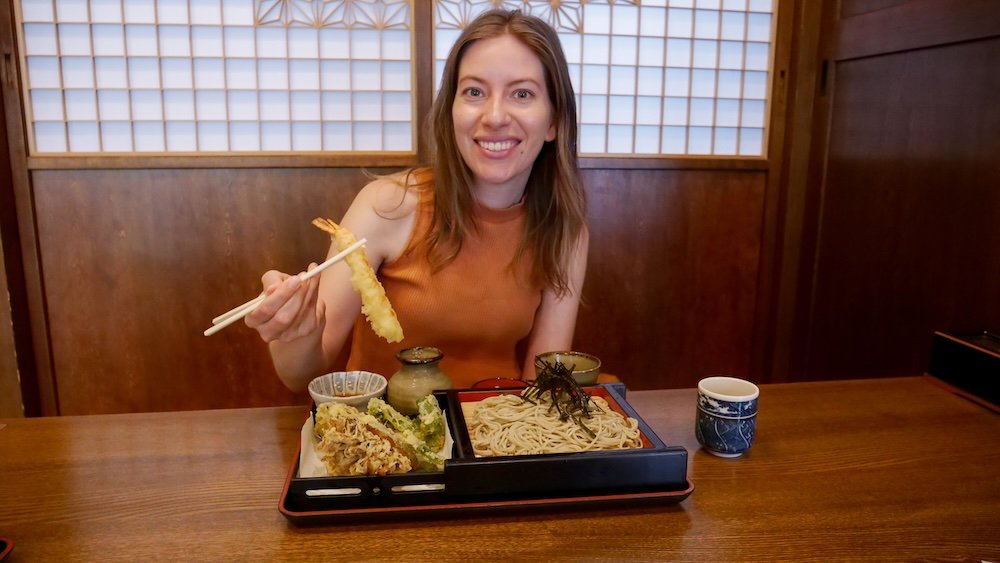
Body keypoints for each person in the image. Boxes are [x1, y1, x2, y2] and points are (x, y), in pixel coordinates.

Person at [246, 9, 589, 392]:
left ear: (554, 121)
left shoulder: (565, 233)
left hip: (493, 435)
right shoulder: (387, 206)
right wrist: (293, 330)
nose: (494, 116)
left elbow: (542, 385)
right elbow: (301, 375)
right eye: (474, 92)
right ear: (451, 110)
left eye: (522, 94)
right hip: (382, 437)